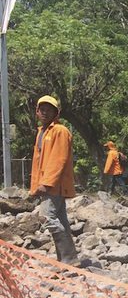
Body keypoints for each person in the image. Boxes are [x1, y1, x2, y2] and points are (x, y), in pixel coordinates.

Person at [30, 95, 80, 265]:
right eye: (42, 109)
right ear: (37, 111)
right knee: (61, 218)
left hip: (54, 184)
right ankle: (68, 260)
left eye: (49, 110)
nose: (45, 112)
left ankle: (68, 258)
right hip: (49, 183)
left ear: (55, 113)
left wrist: (46, 183)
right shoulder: (42, 131)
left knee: (46, 217)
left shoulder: (60, 131)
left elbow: (59, 159)